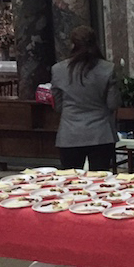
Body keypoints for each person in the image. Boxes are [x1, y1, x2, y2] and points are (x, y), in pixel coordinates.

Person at [51, 25, 120, 170]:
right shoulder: (107, 68)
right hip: (101, 133)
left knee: (70, 182)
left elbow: (57, 106)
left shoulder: (58, 70)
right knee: (100, 182)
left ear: (72, 45)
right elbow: (113, 103)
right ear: (95, 43)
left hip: (70, 133)